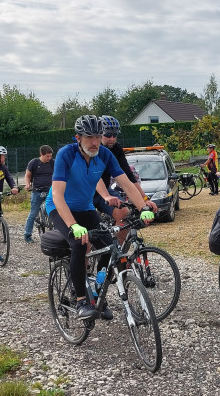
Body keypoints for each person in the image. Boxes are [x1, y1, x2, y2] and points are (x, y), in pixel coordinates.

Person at [48, 115, 158, 320]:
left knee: (110, 247)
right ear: (78, 138)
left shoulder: (105, 155)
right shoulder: (66, 154)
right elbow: (57, 195)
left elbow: (126, 183)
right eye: (89, 137)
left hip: (86, 207)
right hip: (60, 208)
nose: (95, 142)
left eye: (98, 136)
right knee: (79, 244)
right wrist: (73, 225)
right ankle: (81, 300)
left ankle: (97, 294)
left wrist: (143, 206)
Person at [94, 116, 145, 243]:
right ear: (99, 134)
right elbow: (94, 177)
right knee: (87, 235)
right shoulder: (93, 149)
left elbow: (127, 175)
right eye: (108, 135)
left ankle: (119, 254)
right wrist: (106, 196)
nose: (112, 139)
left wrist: (144, 199)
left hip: (104, 190)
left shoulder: (116, 149)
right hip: (86, 192)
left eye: (115, 135)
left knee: (124, 214)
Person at [24, 145, 55, 242]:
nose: (49, 158)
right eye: (47, 156)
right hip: (37, 191)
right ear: (41, 154)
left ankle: (56, 233)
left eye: (50, 156)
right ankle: (27, 234)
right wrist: (28, 184)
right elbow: (28, 175)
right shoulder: (34, 163)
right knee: (33, 214)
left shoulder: (52, 163)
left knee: (55, 211)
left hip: (50, 191)